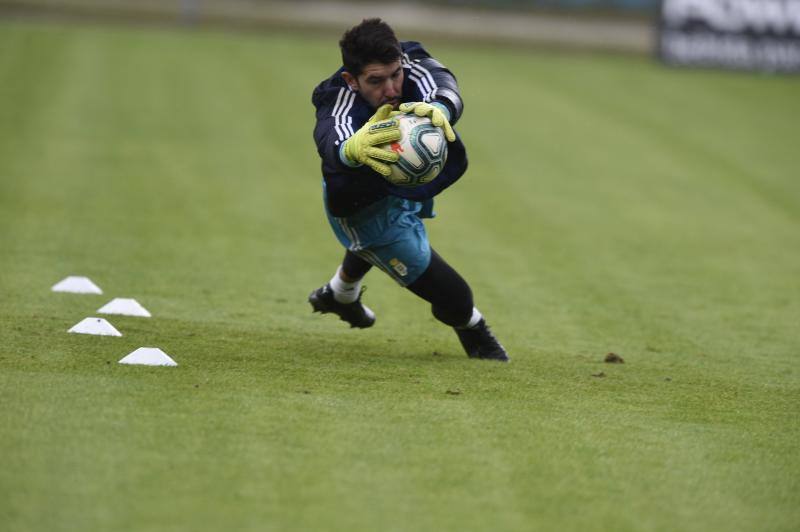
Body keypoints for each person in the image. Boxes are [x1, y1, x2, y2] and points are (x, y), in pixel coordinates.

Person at [308, 18, 508, 362]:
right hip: (362, 206)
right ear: (350, 80)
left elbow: (442, 80)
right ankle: (476, 333)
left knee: (371, 250)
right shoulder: (337, 97)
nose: (391, 89)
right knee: (457, 297)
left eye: (395, 74)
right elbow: (331, 136)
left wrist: (442, 106)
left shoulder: (409, 62)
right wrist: (351, 149)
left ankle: (340, 294)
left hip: (403, 179)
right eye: (376, 81)